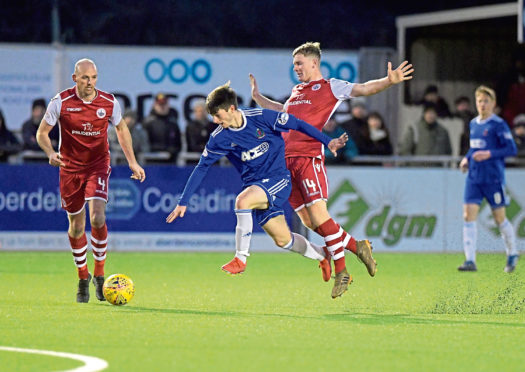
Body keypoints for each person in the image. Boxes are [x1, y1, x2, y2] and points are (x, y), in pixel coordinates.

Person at [249, 41, 413, 292]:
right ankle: (358, 247)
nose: (296, 68)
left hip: (309, 159)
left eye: (299, 63)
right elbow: (283, 112)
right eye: (294, 64)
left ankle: (342, 272)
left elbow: (363, 89)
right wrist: (259, 99)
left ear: (314, 62)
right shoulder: (297, 91)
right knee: (313, 224)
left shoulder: (330, 87)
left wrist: (388, 81)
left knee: (320, 217)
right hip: (287, 163)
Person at [166, 83, 350, 298]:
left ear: (232, 109)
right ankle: (323, 255)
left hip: (278, 179)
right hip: (255, 186)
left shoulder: (262, 117)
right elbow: (201, 168)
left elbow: (299, 124)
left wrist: (328, 142)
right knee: (283, 240)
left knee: (242, 202)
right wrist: (183, 201)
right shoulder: (219, 138)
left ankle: (240, 258)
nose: (215, 121)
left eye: (217, 115)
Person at [36, 58, 146, 303]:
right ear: (75, 78)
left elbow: (121, 129)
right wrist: (50, 153)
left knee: (97, 217)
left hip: (97, 165)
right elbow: (42, 132)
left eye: (94, 77)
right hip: (69, 168)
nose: (90, 82)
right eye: (85, 77)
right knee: (76, 226)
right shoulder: (61, 102)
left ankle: (99, 275)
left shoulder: (108, 102)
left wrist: (132, 161)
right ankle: (82, 277)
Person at [458, 86, 518, 273]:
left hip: (492, 179)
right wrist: (466, 158)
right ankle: (470, 260)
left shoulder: (498, 125)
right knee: (468, 215)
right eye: (479, 101)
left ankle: (512, 253)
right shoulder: (474, 124)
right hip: (474, 178)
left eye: (486, 101)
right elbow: (474, 148)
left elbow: (511, 150)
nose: (482, 105)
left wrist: (489, 154)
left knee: (499, 218)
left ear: (493, 103)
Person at [143, 93, 181, 163]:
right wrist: (163, 149)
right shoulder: (148, 123)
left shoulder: (173, 123)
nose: (162, 107)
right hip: (152, 162)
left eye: (164, 104)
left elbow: (178, 144)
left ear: (168, 105)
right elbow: (145, 144)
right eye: (160, 105)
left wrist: (173, 151)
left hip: (170, 163)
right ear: (154, 105)